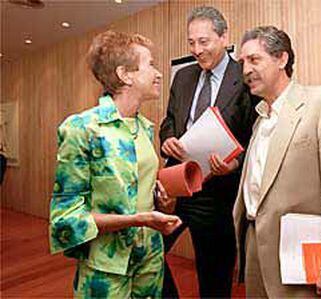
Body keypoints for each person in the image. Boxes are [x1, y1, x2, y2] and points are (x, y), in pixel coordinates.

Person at [234, 26, 321, 298]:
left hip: (302, 258)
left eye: (254, 59)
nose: (246, 70)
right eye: (242, 63)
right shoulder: (260, 120)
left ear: (282, 59)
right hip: (254, 251)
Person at [49, 30, 182, 298]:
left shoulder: (145, 128)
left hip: (150, 259)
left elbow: (143, 193)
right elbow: (66, 219)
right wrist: (138, 219)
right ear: (125, 74)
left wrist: (163, 202)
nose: (158, 73)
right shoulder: (82, 128)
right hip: (107, 265)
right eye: (151, 64)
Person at [158, 6, 258, 298]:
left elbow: (257, 136)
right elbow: (169, 121)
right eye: (191, 43)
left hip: (218, 194)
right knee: (145, 251)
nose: (197, 50)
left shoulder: (246, 77)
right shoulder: (184, 77)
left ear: (223, 36)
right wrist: (169, 138)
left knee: (214, 280)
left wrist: (235, 164)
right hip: (177, 185)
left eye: (204, 41)